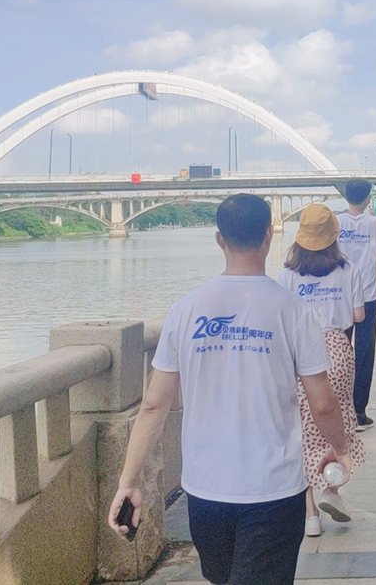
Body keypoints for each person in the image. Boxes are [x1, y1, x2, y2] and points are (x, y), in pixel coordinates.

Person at [106, 194, 353, 585]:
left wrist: (128, 482)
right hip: (274, 490)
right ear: (269, 235)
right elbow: (322, 404)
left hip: (205, 492)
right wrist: (340, 449)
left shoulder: (185, 310)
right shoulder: (293, 309)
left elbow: (153, 406)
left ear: (219, 239)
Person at [277, 203, 367, 538]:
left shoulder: (287, 276)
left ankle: (310, 514)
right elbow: (358, 315)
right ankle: (332, 488)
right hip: (337, 349)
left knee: (301, 428)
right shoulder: (348, 270)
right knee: (336, 418)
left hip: (299, 353)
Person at [337, 179, 376, 431]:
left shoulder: (336, 222)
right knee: (364, 353)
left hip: (339, 296)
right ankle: (359, 412)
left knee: (338, 352)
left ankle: (339, 410)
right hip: (368, 295)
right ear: (367, 198)